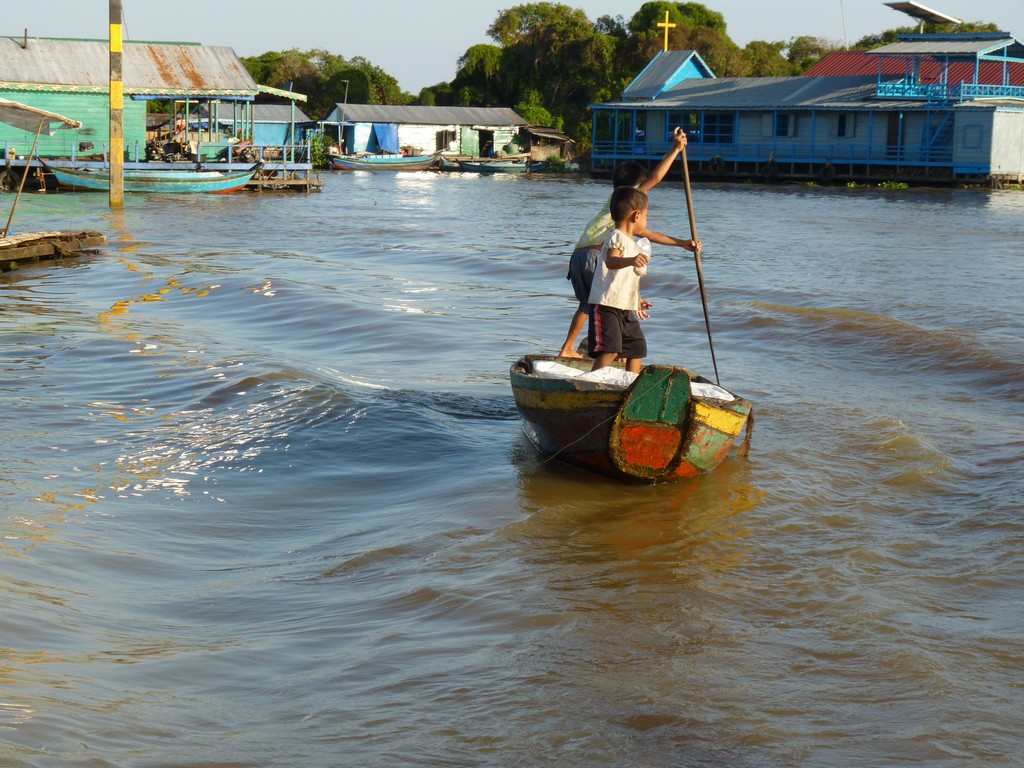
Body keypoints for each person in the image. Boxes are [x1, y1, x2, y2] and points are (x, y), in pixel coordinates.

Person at [558, 127, 700, 358]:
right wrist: (675, 149)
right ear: (635, 189)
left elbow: (648, 233)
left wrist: (682, 243)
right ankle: (613, 352)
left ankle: (568, 349)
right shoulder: (627, 198)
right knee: (609, 304)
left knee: (588, 304)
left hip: (579, 256)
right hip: (598, 257)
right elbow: (655, 178)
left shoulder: (616, 207)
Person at [587, 186, 654, 374]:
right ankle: (591, 384)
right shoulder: (616, 237)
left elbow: (626, 279)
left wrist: (637, 299)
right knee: (610, 350)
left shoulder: (633, 244)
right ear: (636, 216)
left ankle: (630, 384)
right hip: (606, 304)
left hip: (625, 305)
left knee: (637, 347)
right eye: (647, 216)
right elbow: (611, 261)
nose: (647, 221)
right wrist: (631, 260)